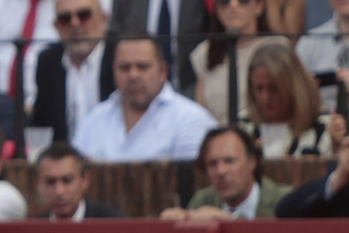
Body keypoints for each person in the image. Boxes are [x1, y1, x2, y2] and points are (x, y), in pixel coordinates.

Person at [72, 32, 216, 161]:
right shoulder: (93, 120)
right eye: (124, 67)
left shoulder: (190, 120)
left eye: (143, 66)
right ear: (114, 70)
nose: (133, 76)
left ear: (163, 71)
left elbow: (193, 183)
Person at [190, 0, 288, 125]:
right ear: (216, 8)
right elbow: (200, 114)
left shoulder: (278, 47)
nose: (233, 5)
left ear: (259, 6)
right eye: (224, 0)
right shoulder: (205, 52)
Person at [31, 0, 115, 140]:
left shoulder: (119, 57)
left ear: (104, 19)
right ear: (56, 27)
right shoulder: (48, 61)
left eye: (84, 15)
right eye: (65, 18)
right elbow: (41, 125)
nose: (75, 23)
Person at [161, 122, 290, 220]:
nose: (221, 171)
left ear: (252, 162)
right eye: (212, 164)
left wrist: (230, 222)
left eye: (229, 161)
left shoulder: (285, 201)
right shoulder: (202, 201)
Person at [245, 39, 328, 156]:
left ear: (293, 86)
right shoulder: (245, 126)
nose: (265, 97)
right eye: (259, 88)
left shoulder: (323, 126)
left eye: (273, 88)